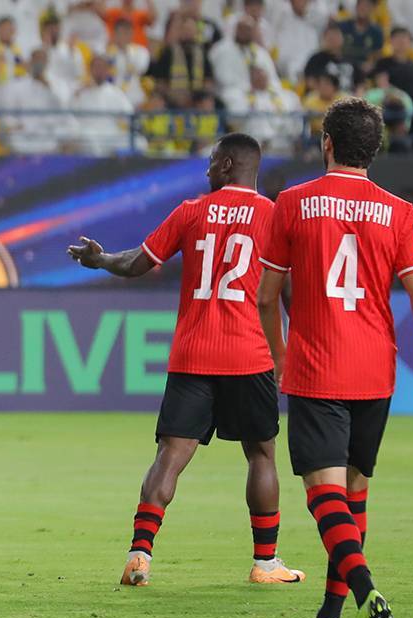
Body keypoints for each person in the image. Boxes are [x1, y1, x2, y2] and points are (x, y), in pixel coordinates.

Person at [67, 133, 306, 589]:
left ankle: (139, 555)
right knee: (260, 454)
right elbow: (287, 292)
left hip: (193, 354)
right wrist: (294, 350)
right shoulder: (275, 217)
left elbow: (136, 263)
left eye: (213, 160)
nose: (207, 168)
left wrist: (101, 260)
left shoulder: (191, 211)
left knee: (170, 455)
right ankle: (266, 563)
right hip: (249, 354)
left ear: (229, 164)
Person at [258, 97, 413, 618]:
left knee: (323, 495)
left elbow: (266, 296)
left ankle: (366, 592)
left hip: (316, 367)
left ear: (326, 143)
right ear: (374, 150)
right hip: (375, 370)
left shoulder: (292, 202)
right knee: (355, 494)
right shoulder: (401, 212)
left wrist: (281, 356)